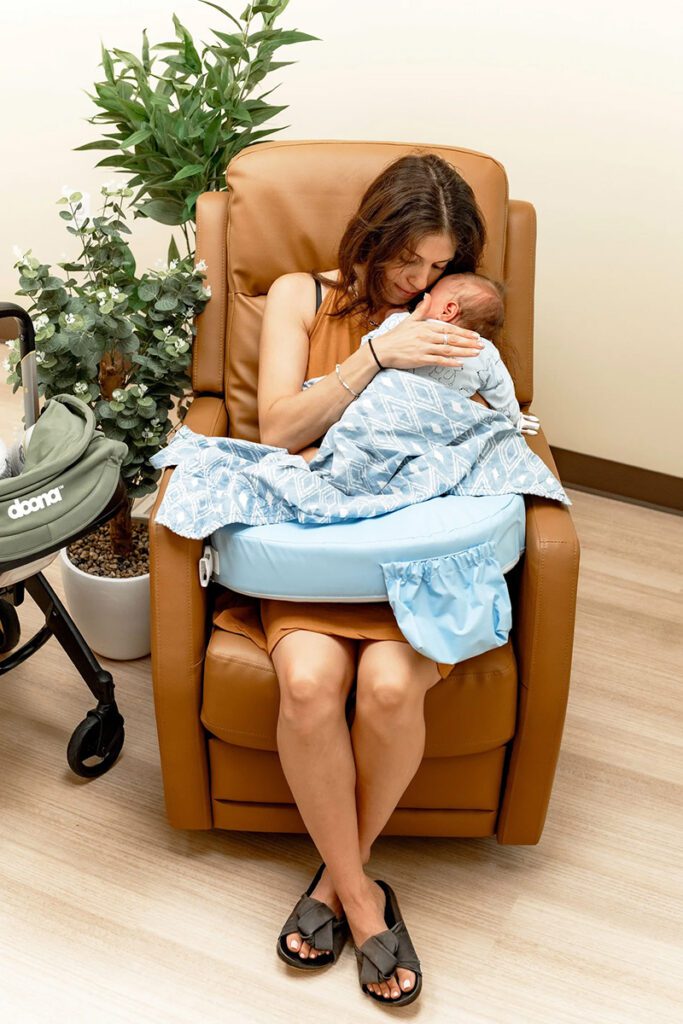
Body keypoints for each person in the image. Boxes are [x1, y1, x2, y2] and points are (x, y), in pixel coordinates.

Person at [216, 153, 492, 1006]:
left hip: (410, 546)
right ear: (373, 236)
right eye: (408, 259)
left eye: (439, 265)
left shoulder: (450, 311)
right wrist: (375, 352)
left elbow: (470, 415)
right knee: (305, 682)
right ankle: (367, 903)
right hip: (313, 543)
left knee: (382, 689)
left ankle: (340, 888)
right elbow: (276, 428)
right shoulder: (302, 293)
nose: (421, 280)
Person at [304, 271, 540, 435]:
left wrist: (392, 319)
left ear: (448, 310)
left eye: (431, 292)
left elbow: (370, 348)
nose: (420, 289)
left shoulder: (407, 324)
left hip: (381, 414)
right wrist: (514, 419)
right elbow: (503, 392)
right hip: (436, 430)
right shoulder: (486, 351)